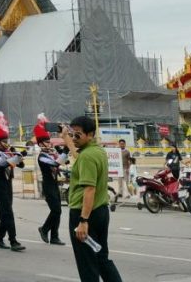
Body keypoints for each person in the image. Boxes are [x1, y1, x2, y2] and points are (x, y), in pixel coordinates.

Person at [65, 115, 122, 282]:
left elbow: (89, 189)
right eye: (72, 134)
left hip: (84, 214)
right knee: (101, 257)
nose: (74, 138)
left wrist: (83, 221)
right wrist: (66, 138)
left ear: (90, 135)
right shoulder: (97, 151)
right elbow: (79, 156)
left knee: (87, 263)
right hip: (101, 211)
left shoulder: (87, 157)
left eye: (77, 135)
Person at [0, 111, 25, 252]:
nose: (7, 144)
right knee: (8, 213)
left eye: (7, 141)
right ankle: (13, 241)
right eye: (4, 142)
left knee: (5, 213)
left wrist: (18, 154)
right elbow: (3, 164)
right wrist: (15, 157)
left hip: (8, 184)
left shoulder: (8, 152)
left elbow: (20, 165)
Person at [34, 115, 66, 246]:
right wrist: (65, 150)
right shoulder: (42, 156)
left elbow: (64, 161)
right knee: (56, 210)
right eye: (47, 142)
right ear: (41, 144)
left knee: (59, 210)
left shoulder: (51, 153)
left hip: (54, 184)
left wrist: (62, 151)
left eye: (49, 141)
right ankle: (44, 228)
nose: (49, 144)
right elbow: (56, 163)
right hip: (47, 185)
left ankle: (54, 236)